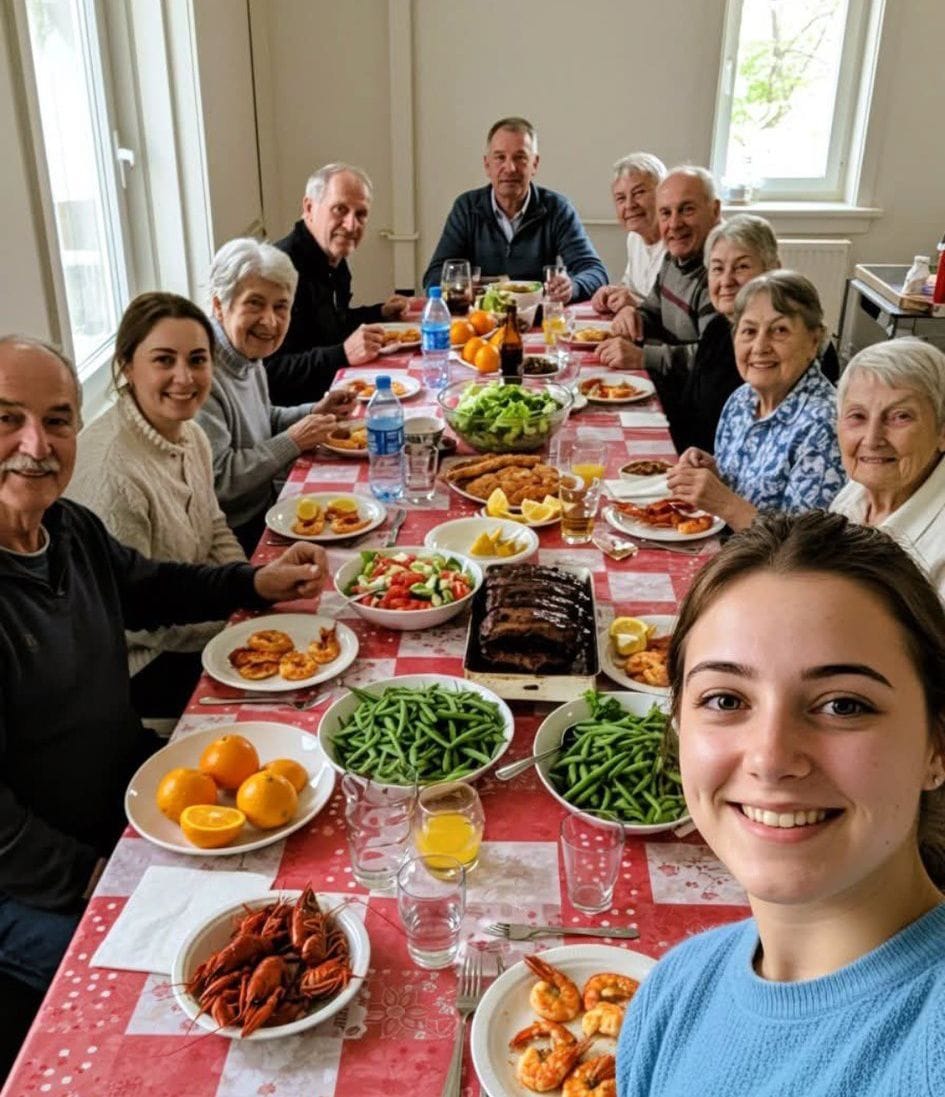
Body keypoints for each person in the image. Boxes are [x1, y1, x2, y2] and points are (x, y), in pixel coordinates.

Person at [0, 334, 329, 1000]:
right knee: (166, 987)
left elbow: (150, 587)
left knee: (296, 880)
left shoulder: (69, 528)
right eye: (7, 418)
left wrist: (253, 582)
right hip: (32, 875)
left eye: (57, 419)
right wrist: (90, 875)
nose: (35, 443)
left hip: (124, 792)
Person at [616, 510, 945, 1096]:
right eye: (724, 699)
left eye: (843, 705)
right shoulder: (672, 994)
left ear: (935, 747)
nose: (770, 756)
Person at [66, 293, 247, 718]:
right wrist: (235, 624)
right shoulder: (114, 474)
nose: (184, 377)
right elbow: (140, 618)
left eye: (197, 360)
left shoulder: (190, 434)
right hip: (143, 667)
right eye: (164, 360)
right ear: (128, 365)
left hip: (199, 618)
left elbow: (216, 527)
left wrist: (246, 588)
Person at [196, 237, 355, 553]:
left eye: (280, 306)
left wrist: (314, 411)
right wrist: (294, 440)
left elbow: (262, 419)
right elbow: (221, 480)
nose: (270, 321)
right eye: (254, 303)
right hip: (234, 534)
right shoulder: (201, 375)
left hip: (267, 505)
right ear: (218, 305)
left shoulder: (246, 355)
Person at [667, 271, 845, 530]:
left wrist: (725, 503)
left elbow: (801, 549)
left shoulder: (824, 425)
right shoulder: (742, 400)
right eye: (749, 331)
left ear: (813, 341)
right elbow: (757, 490)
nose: (760, 346)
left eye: (779, 330)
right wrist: (714, 473)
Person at [266, 163, 410, 405]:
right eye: (340, 210)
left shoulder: (333, 258)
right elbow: (269, 372)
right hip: (296, 416)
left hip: (333, 394)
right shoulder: (278, 272)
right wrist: (342, 354)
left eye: (361, 214)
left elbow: (331, 324)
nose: (351, 225)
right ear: (309, 207)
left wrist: (380, 313)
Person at [422, 117, 607, 303]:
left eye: (520, 158)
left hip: (539, 319)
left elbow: (595, 272)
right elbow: (434, 277)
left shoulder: (557, 208)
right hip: (481, 322)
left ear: (534, 164)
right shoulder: (466, 208)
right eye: (500, 157)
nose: (510, 168)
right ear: (487, 165)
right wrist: (461, 288)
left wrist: (572, 287)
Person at [831, 337, 945, 597]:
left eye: (900, 416)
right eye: (857, 416)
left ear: (942, 430)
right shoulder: (854, 495)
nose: (872, 439)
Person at [666, 214, 779, 453]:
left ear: (773, 269)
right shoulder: (718, 329)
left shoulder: (778, 345)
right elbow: (689, 412)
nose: (726, 280)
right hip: (694, 462)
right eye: (717, 268)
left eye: (741, 267)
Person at [598, 166, 720, 378]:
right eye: (665, 213)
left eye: (687, 209)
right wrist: (634, 316)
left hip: (692, 399)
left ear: (715, 210)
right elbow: (653, 311)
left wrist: (643, 357)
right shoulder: (674, 257)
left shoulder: (721, 271)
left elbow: (713, 357)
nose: (674, 224)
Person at [591, 153, 667, 315]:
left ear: (663, 194)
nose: (629, 205)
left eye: (639, 193)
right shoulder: (634, 238)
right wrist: (611, 292)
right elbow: (631, 288)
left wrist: (637, 305)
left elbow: (677, 317)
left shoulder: (678, 243)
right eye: (620, 198)